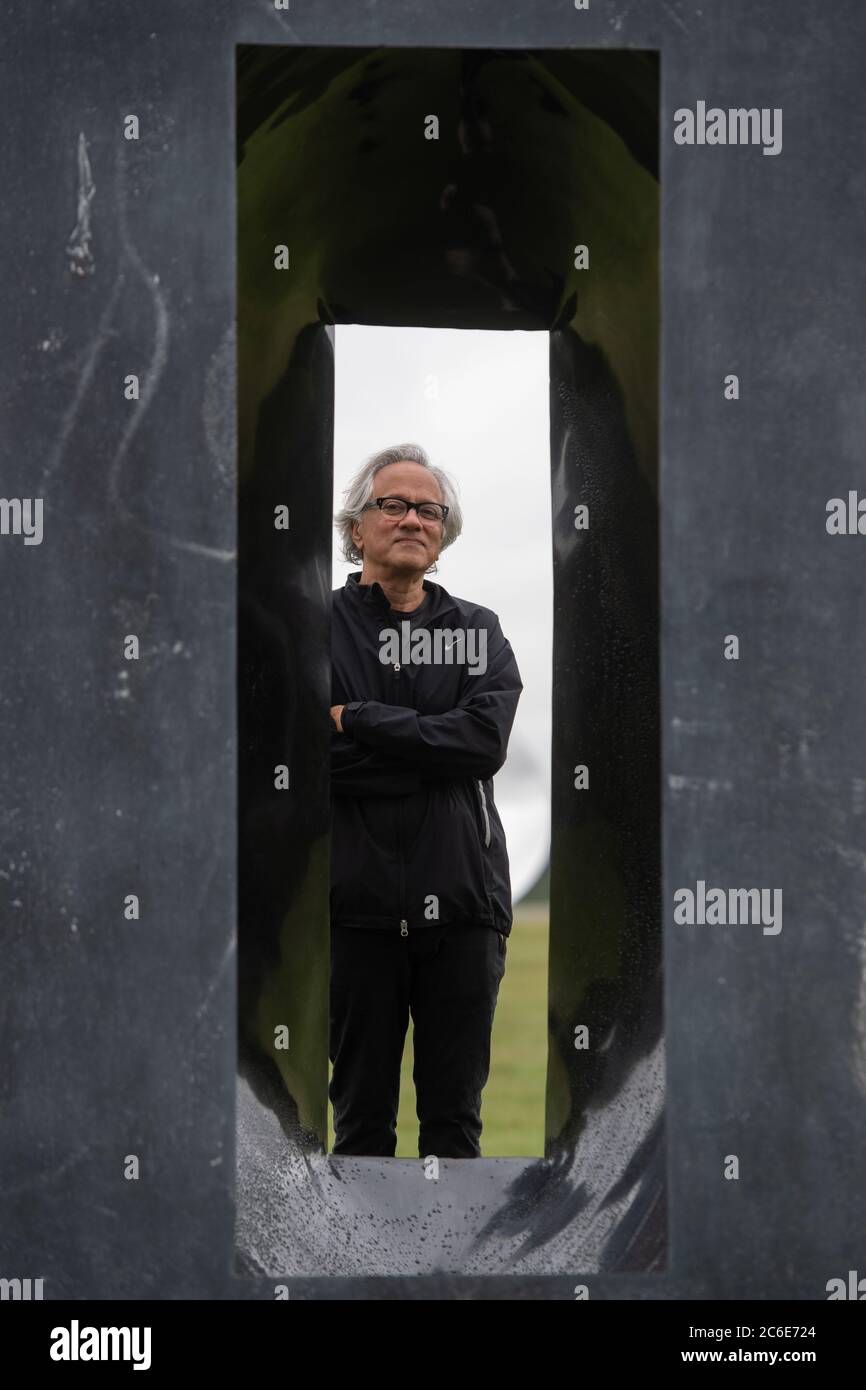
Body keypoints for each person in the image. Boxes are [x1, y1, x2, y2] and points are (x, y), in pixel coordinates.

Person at [329, 442, 523, 1159]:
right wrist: (430, 756)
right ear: (357, 527)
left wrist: (363, 719)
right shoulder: (312, 625)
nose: (413, 518)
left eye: (428, 510)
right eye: (394, 504)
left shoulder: (478, 631)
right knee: (360, 1132)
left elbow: (483, 745)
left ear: (443, 533)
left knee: (454, 1130)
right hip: (354, 915)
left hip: (465, 916)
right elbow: (301, 756)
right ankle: (361, 1279)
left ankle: (454, 1281)